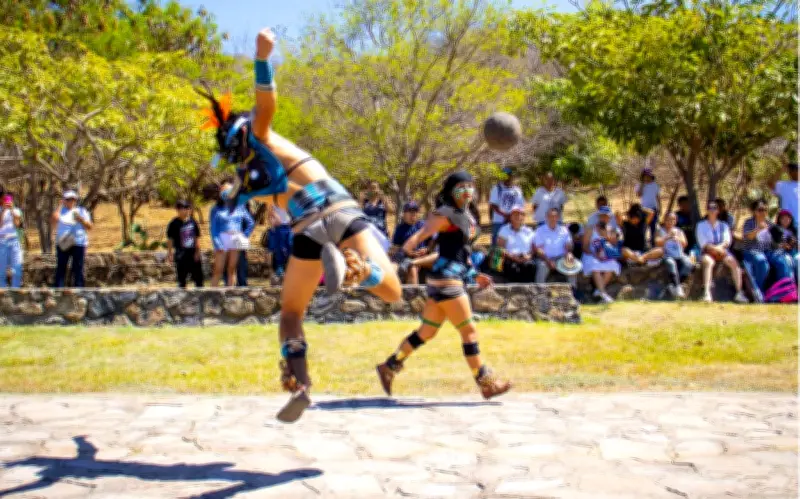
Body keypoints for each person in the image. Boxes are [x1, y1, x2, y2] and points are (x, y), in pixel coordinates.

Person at [198, 27, 401, 423]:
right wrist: (260, 57)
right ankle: (358, 270)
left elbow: (265, 105)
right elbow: (266, 101)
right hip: (336, 208)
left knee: (291, 313)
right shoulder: (258, 141)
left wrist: (261, 57)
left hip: (305, 228)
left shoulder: (249, 162)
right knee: (391, 291)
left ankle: (302, 382)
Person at [376, 171, 511, 400]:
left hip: (447, 279)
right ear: (450, 190)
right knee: (469, 332)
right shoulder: (444, 214)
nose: (467, 190)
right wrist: (401, 255)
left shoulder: (465, 214)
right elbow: (421, 235)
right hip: (447, 283)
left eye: (470, 186)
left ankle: (389, 366)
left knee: (425, 332)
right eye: (461, 186)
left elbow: (454, 254)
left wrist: (473, 274)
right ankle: (486, 383)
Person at [696, 201, 748, 303]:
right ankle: (707, 293)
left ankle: (739, 293)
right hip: (708, 251)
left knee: (734, 263)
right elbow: (703, 242)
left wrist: (720, 248)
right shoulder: (701, 225)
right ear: (707, 210)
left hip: (722, 251)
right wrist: (715, 249)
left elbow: (727, 240)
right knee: (708, 262)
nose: (712, 211)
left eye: (714, 208)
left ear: (718, 211)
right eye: (710, 208)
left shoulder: (723, 225)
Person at [741, 199, 794, 296]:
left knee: (782, 261)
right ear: (754, 211)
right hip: (751, 251)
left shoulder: (770, 224)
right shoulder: (749, 222)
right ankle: (759, 292)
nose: (763, 212)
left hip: (768, 251)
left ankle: (785, 292)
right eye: (760, 210)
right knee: (761, 261)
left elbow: (776, 242)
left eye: (765, 210)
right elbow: (748, 236)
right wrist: (759, 229)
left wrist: (783, 244)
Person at [210, 183, 255, 287]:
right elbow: (213, 228)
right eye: (224, 191)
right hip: (221, 238)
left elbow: (250, 223)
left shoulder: (240, 206)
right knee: (218, 269)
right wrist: (217, 243)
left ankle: (231, 295)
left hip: (236, 238)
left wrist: (244, 237)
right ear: (221, 193)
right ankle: (212, 294)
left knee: (232, 269)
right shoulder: (216, 209)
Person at [52, 190, 92, 288]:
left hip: (78, 242)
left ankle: (79, 290)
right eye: (68, 199)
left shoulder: (82, 211)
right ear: (64, 200)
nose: (71, 201)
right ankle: (59, 289)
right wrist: (60, 206)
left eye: (73, 199)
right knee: (61, 266)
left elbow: (90, 226)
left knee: (78, 267)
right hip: (64, 241)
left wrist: (81, 220)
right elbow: (54, 219)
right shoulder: (60, 211)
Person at [582, 206, 621, 303]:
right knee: (595, 266)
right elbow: (585, 247)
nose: (604, 218)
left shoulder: (611, 230)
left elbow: (614, 246)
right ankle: (603, 293)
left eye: (606, 216)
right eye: (602, 216)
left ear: (609, 218)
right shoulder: (591, 229)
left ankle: (599, 291)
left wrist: (608, 238)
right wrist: (595, 254)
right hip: (590, 255)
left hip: (605, 256)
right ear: (599, 217)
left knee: (612, 265)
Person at [533, 208, 577, 287]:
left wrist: (569, 253)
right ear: (546, 217)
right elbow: (538, 249)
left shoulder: (564, 230)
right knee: (543, 267)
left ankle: (573, 290)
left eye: (555, 216)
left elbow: (568, 245)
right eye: (550, 216)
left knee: (571, 263)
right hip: (545, 258)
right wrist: (548, 260)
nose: (553, 218)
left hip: (561, 257)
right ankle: (539, 291)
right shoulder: (540, 230)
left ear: (558, 217)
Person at [166, 200, 203, 288]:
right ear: (178, 210)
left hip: (193, 253)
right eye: (183, 208)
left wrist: (197, 252)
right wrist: (170, 253)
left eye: (187, 208)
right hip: (180, 254)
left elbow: (197, 237)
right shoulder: (173, 223)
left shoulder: (193, 222)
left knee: (198, 278)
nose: (185, 210)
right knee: (181, 278)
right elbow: (170, 239)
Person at [656, 212, 692, 299]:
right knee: (671, 263)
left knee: (688, 263)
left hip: (679, 254)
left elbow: (685, 244)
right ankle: (678, 288)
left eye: (673, 219)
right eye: (668, 219)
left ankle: (674, 285)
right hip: (667, 254)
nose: (670, 222)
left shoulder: (679, 231)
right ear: (664, 220)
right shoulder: (660, 230)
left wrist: (678, 239)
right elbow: (657, 242)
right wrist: (668, 236)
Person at [496, 205, 536, 283]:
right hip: (509, 257)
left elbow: (533, 248)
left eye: (520, 214)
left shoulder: (529, 231)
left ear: (523, 217)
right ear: (511, 217)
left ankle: (528, 290)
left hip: (525, 257)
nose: (518, 217)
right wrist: (513, 257)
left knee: (530, 266)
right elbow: (500, 248)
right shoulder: (504, 230)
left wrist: (529, 256)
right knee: (512, 267)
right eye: (515, 214)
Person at [390, 201, 428, 284]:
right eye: (410, 211)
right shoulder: (400, 228)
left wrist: (426, 249)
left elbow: (433, 242)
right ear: (404, 214)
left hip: (424, 256)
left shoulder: (423, 225)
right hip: (407, 257)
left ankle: (413, 292)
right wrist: (408, 252)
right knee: (412, 267)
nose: (413, 214)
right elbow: (394, 247)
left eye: (415, 211)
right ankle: (412, 293)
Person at [488, 167, 525, 246]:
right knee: (497, 244)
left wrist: (512, 216)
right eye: (504, 176)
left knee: (513, 243)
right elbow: (493, 205)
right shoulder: (497, 188)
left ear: (512, 176)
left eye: (509, 175)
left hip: (514, 221)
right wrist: (506, 215)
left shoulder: (517, 190)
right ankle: (495, 258)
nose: (507, 178)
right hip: (499, 221)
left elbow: (520, 206)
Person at [0, 194, 23, 288]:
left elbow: (17, 224)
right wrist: (4, 210)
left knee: (17, 265)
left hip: (14, 240)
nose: (7, 203)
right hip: (2, 240)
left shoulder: (16, 211)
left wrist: (12, 210)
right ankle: (2, 287)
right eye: (5, 200)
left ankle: (16, 287)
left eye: (9, 200)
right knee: (2, 266)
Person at [266, 204, 293, 280]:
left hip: (289, 226)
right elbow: (269, 212)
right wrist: (273, 224)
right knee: (278, 249)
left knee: (290, 248)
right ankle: (279, 271)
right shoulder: (272, 199)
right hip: (278, 226)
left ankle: (289, 271)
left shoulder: (290, 198)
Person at [635, 167, 661, 245]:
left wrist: (660, 207)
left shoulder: (655, 185)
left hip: (653, 209)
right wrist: (642, 185)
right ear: (642, 176)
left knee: (653, 227)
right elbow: (639, 195)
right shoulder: (639, 185)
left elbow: (658, 197)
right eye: (645, 176)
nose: (647, 177)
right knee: (643, 227)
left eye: (648, 176)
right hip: (644, 209)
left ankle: (653, 244)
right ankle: (642, 243)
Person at [770, 162, 798, 229]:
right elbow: (770, 183)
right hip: (787, 225)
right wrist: (781, 170)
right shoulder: (783, 185)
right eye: (794, 169)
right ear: (789, 172)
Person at [775, 210, 798, 278]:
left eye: (788, 218)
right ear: (779, 219)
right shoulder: (775, 230)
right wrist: (784, 245)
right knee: (787, 260)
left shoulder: (794, 230)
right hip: (781, 253)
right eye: (783, 218)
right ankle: (789, 284)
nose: (786, 220)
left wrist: (794, 243)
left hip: (793, 252)